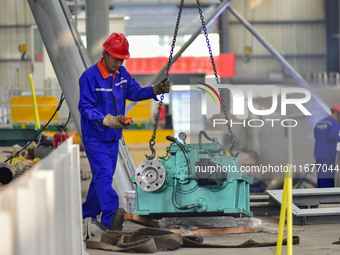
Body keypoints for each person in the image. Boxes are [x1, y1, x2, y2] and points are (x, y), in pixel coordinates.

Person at [78, 33, 170, 230]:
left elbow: (134, 92)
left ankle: (87, 213)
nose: (119, 62)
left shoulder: (122, 75)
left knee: (101, 177)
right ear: (105, 54)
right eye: (116, 58)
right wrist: (107, 119)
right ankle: (110, 219)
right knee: (103, 175)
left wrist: (155, 89)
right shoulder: (89, 77)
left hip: (113, 138)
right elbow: (85, 107)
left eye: (122, 59)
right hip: (95, 137)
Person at [314, 103, 340, 188]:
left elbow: (316, 135)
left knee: (321, 177)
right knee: (327, 179)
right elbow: (334, 136)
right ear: (337, 113)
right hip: (328, 156)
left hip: (318, 154)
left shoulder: (320, 122)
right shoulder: (334, 123)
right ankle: (326, 200)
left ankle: (320, 197)